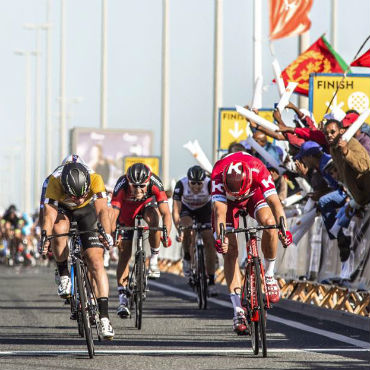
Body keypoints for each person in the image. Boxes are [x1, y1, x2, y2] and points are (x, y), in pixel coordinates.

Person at [211, 151, 292, 334]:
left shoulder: (258, 169)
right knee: (230, 251)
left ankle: (269, 274)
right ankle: (238, 310)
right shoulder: (218, 174)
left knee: (270, 224)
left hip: (253, 196)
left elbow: (275, 203)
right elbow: (219, 213)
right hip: (227, 203)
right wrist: (220, 237)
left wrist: (284, 230)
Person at [40, 159, 115, 340]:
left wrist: (106, 232)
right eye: (74, 196)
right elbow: (49, 216)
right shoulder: (54, 182)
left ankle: (104, 318)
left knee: (96, 261)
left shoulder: (95, 178)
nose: (79, 199)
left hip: (87, 212)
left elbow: (103, 211)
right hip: (63, 210)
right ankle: (64, 273)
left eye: (82, 194)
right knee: (58, 231)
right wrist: (44, 236)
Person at [111, 163, 172, 319]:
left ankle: (153, 260)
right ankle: (122, 299)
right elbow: (113, 213)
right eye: (134, 186)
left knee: (155, 221)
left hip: (146, 206)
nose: (138, 190)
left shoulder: (155, 182)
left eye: (142, 186)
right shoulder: (121, 183)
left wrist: (166, 233)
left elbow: (166, 214)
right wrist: (113, 233)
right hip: (126, 211)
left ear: (148, 182)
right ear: (128, 182)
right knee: (124, 255)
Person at [172, 165, 217, 296]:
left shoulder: (210, 184)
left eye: (199, 184)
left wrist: (215, 227)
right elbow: (176, 210)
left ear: (204, 181)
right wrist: (179, 229)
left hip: (205, 210)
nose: (196, 187)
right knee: (187, 229)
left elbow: (216, 208)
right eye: (193, 183)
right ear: (188, 181)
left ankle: (212, 281)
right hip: (187, 210)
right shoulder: (181, 184)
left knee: (209, 240)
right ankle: (187, 257)